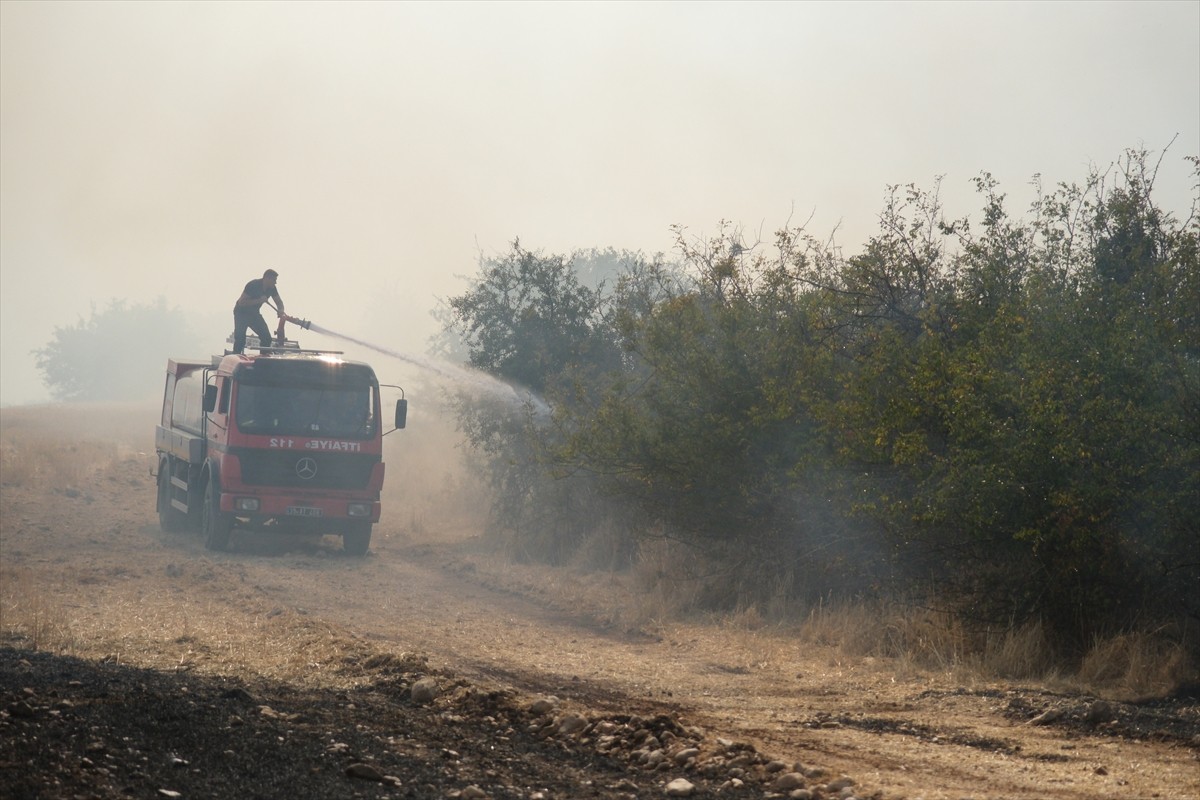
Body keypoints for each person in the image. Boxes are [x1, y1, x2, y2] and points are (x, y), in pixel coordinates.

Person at [232, 269, 285, 354]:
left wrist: (281, 310)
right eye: (274, 280)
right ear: (267, 278)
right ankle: (235, 357)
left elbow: (279, 302)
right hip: (241, 313)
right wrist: (259, 300)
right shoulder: (253, 285)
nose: (275, 283)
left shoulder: (272, 288)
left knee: (266, 337)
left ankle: (264, 358)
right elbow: (242, 302)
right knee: (240, 339)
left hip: (254, 314)